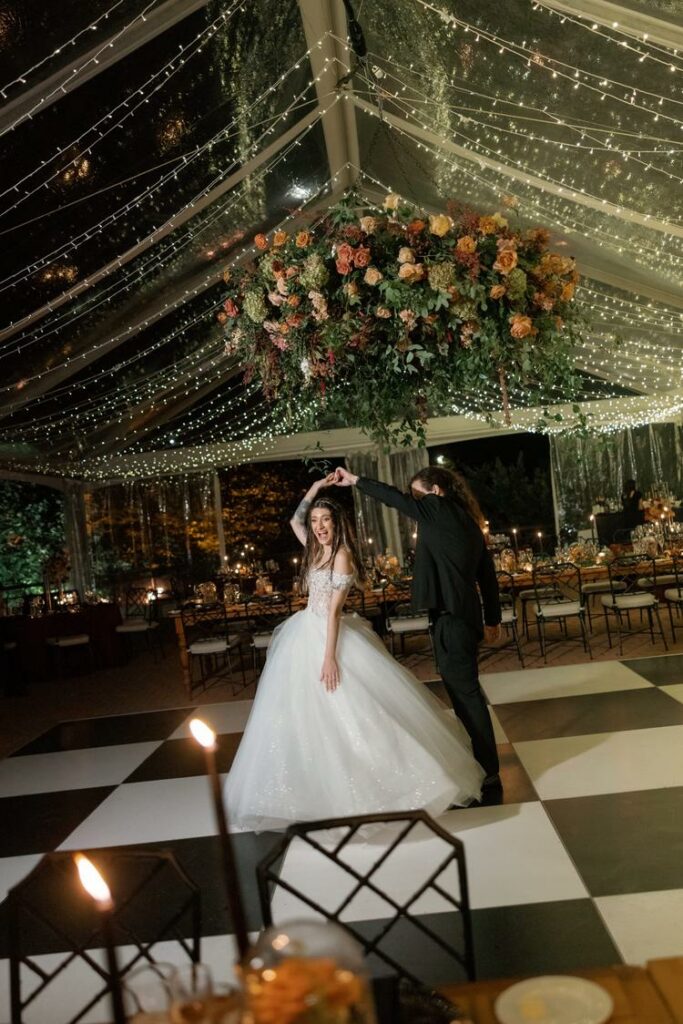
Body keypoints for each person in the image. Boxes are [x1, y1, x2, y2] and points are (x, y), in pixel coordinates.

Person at [224, 473, 484, 831]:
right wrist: (316, 489)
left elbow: (332, 612)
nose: (318, 527)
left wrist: (329, 657)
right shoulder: (313, 549)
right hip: (304, 633)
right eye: (315, 521)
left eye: (325, 520)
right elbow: (293, 520)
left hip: (330, 635)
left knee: (356, 714)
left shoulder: (342, 557)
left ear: (336, 523)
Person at [334, 465, 502, 786]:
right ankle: (481, 759)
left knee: (466, 693)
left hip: (452, 618)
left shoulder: (436, 508)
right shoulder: (468, 522)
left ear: (436, 491)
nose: (415, 502)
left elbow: (393, 498)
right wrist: (492, 619)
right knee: (463, 689)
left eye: (418, 495)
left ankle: (488, 768)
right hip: (464, 616)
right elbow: (488, 577)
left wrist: (356, 480)